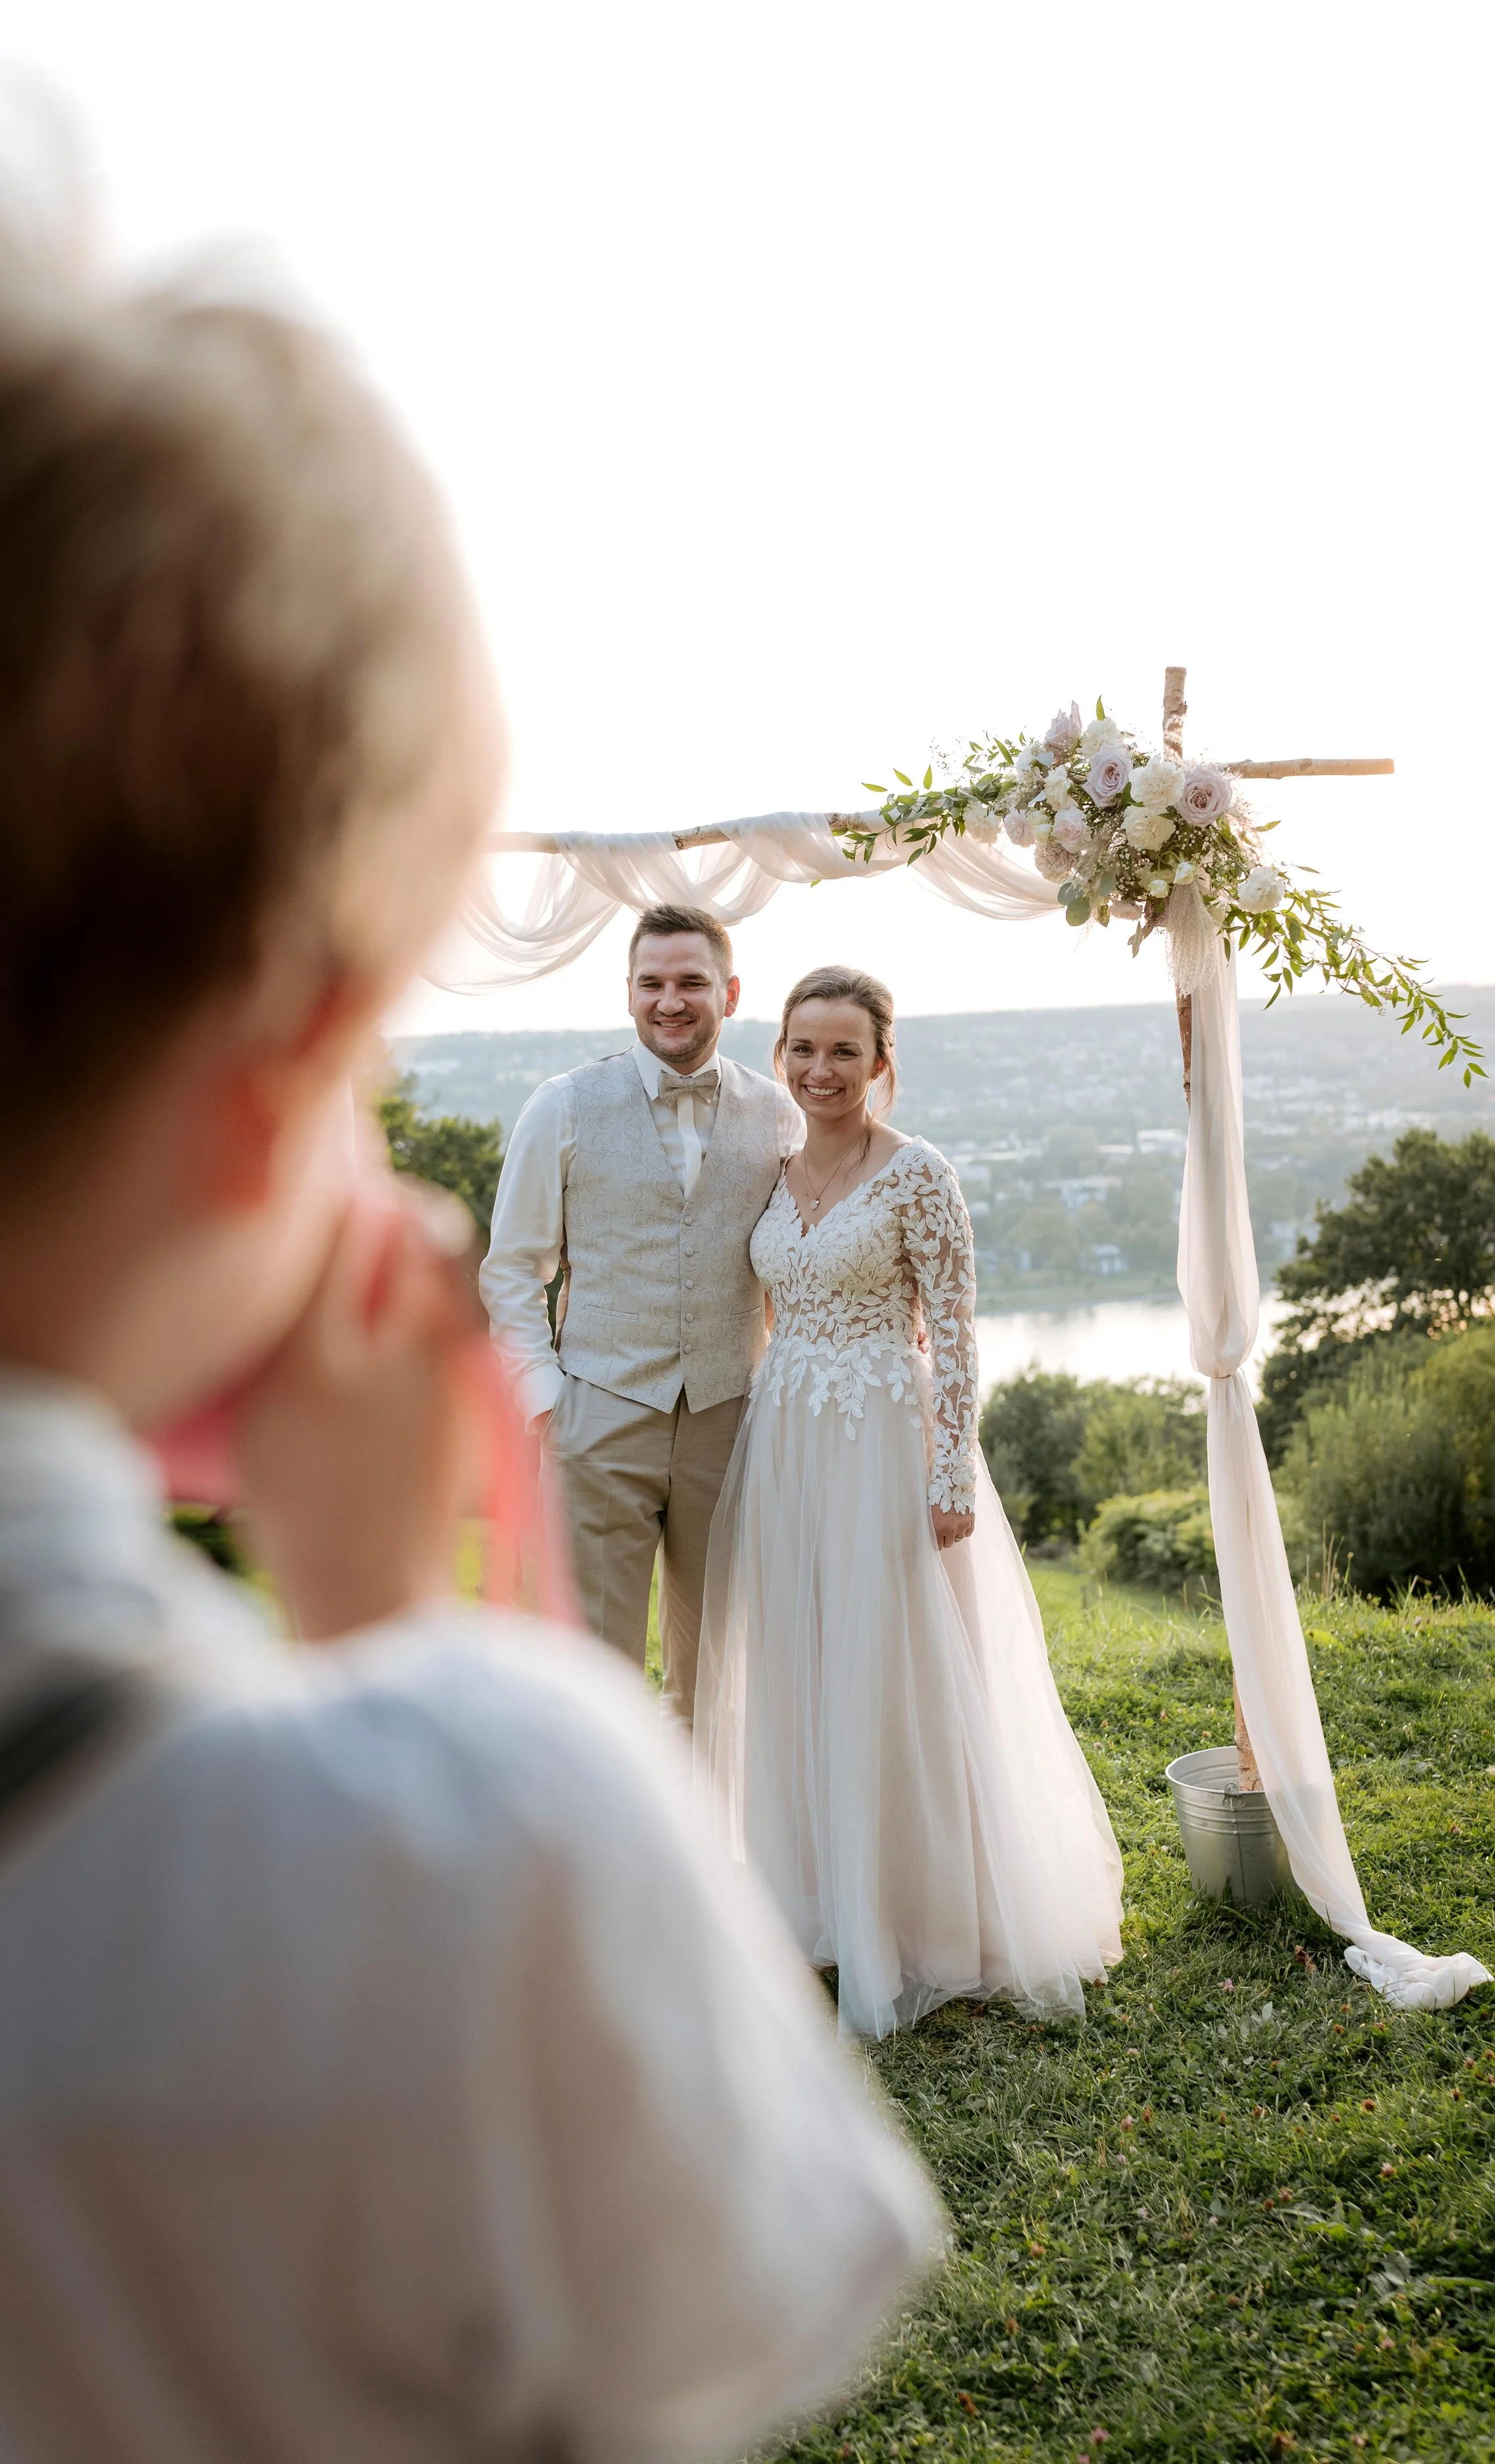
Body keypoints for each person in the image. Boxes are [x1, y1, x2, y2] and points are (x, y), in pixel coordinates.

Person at [0, 236, 939, 2457]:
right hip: (594, 1435)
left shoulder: (797, 1129)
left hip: (741, 1418)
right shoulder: (475, 1836)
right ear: (285, 1068)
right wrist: (419, 1647)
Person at [695, 967, 1127, 2039]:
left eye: (845, 1051)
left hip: (888, 1445)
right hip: (787, 1440)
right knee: (799, 1666)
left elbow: (961, 1330)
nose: (821, 1070)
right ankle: (819, 1904)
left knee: (892, 1675)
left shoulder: (919, 1175)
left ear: (883, 1064)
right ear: (780, 1053)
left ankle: (920, 1916)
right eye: (803, 1048)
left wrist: (949, 1479)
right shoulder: (772, 1170)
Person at [480, 907, 802, 1729]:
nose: (671, 1000)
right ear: (627, 993)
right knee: (592, 1675)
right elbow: (514, 1268)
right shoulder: (561, 1105)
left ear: (727, 993)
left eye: (691, 982)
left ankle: (702, 1847)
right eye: (652, 983)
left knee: (720, 1669)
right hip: (597, 1411)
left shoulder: (778, 1115)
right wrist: (545, 1402)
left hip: (731, 1418)